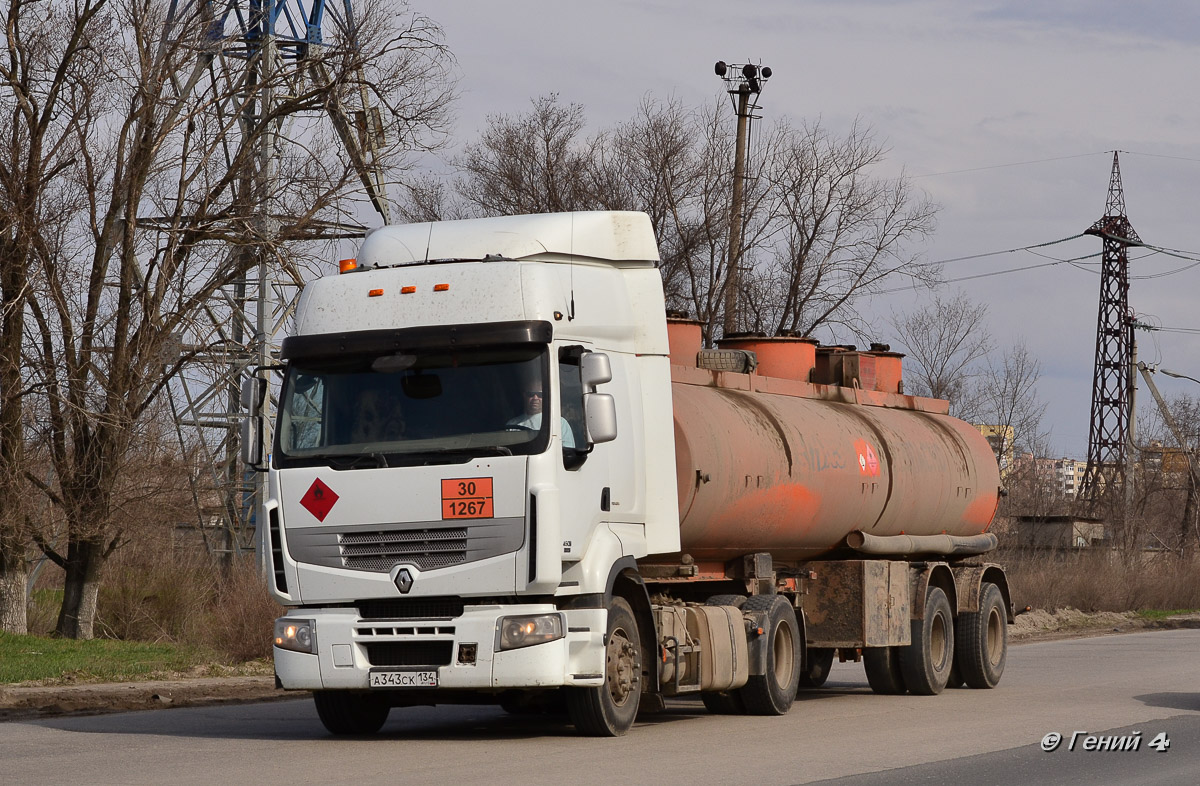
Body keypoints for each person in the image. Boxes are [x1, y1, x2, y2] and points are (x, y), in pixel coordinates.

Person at [507, 386, 575, 448]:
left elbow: (568, 452)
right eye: (530, 394)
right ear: (524, 395)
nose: (535, 398)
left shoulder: (559, 423)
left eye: (540, 395)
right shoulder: (512, 425)